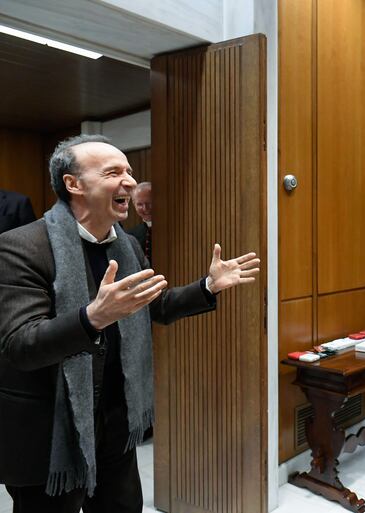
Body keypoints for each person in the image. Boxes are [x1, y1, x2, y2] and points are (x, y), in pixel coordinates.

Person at [0, 134, 260, 513]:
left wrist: (207, 287)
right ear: (73, 184)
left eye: (130, 171)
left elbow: (154, 306)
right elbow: (21, 345)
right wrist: (93, 318)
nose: (130, 182)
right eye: (113, 172)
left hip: (115, 422)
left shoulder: (126, 245)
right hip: (52, 431)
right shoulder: (21, 247)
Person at [127, 181, 152, 263]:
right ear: (134, 204)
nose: (145, 208)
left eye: (149, 203)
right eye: (140, 204)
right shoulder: (130, 235)